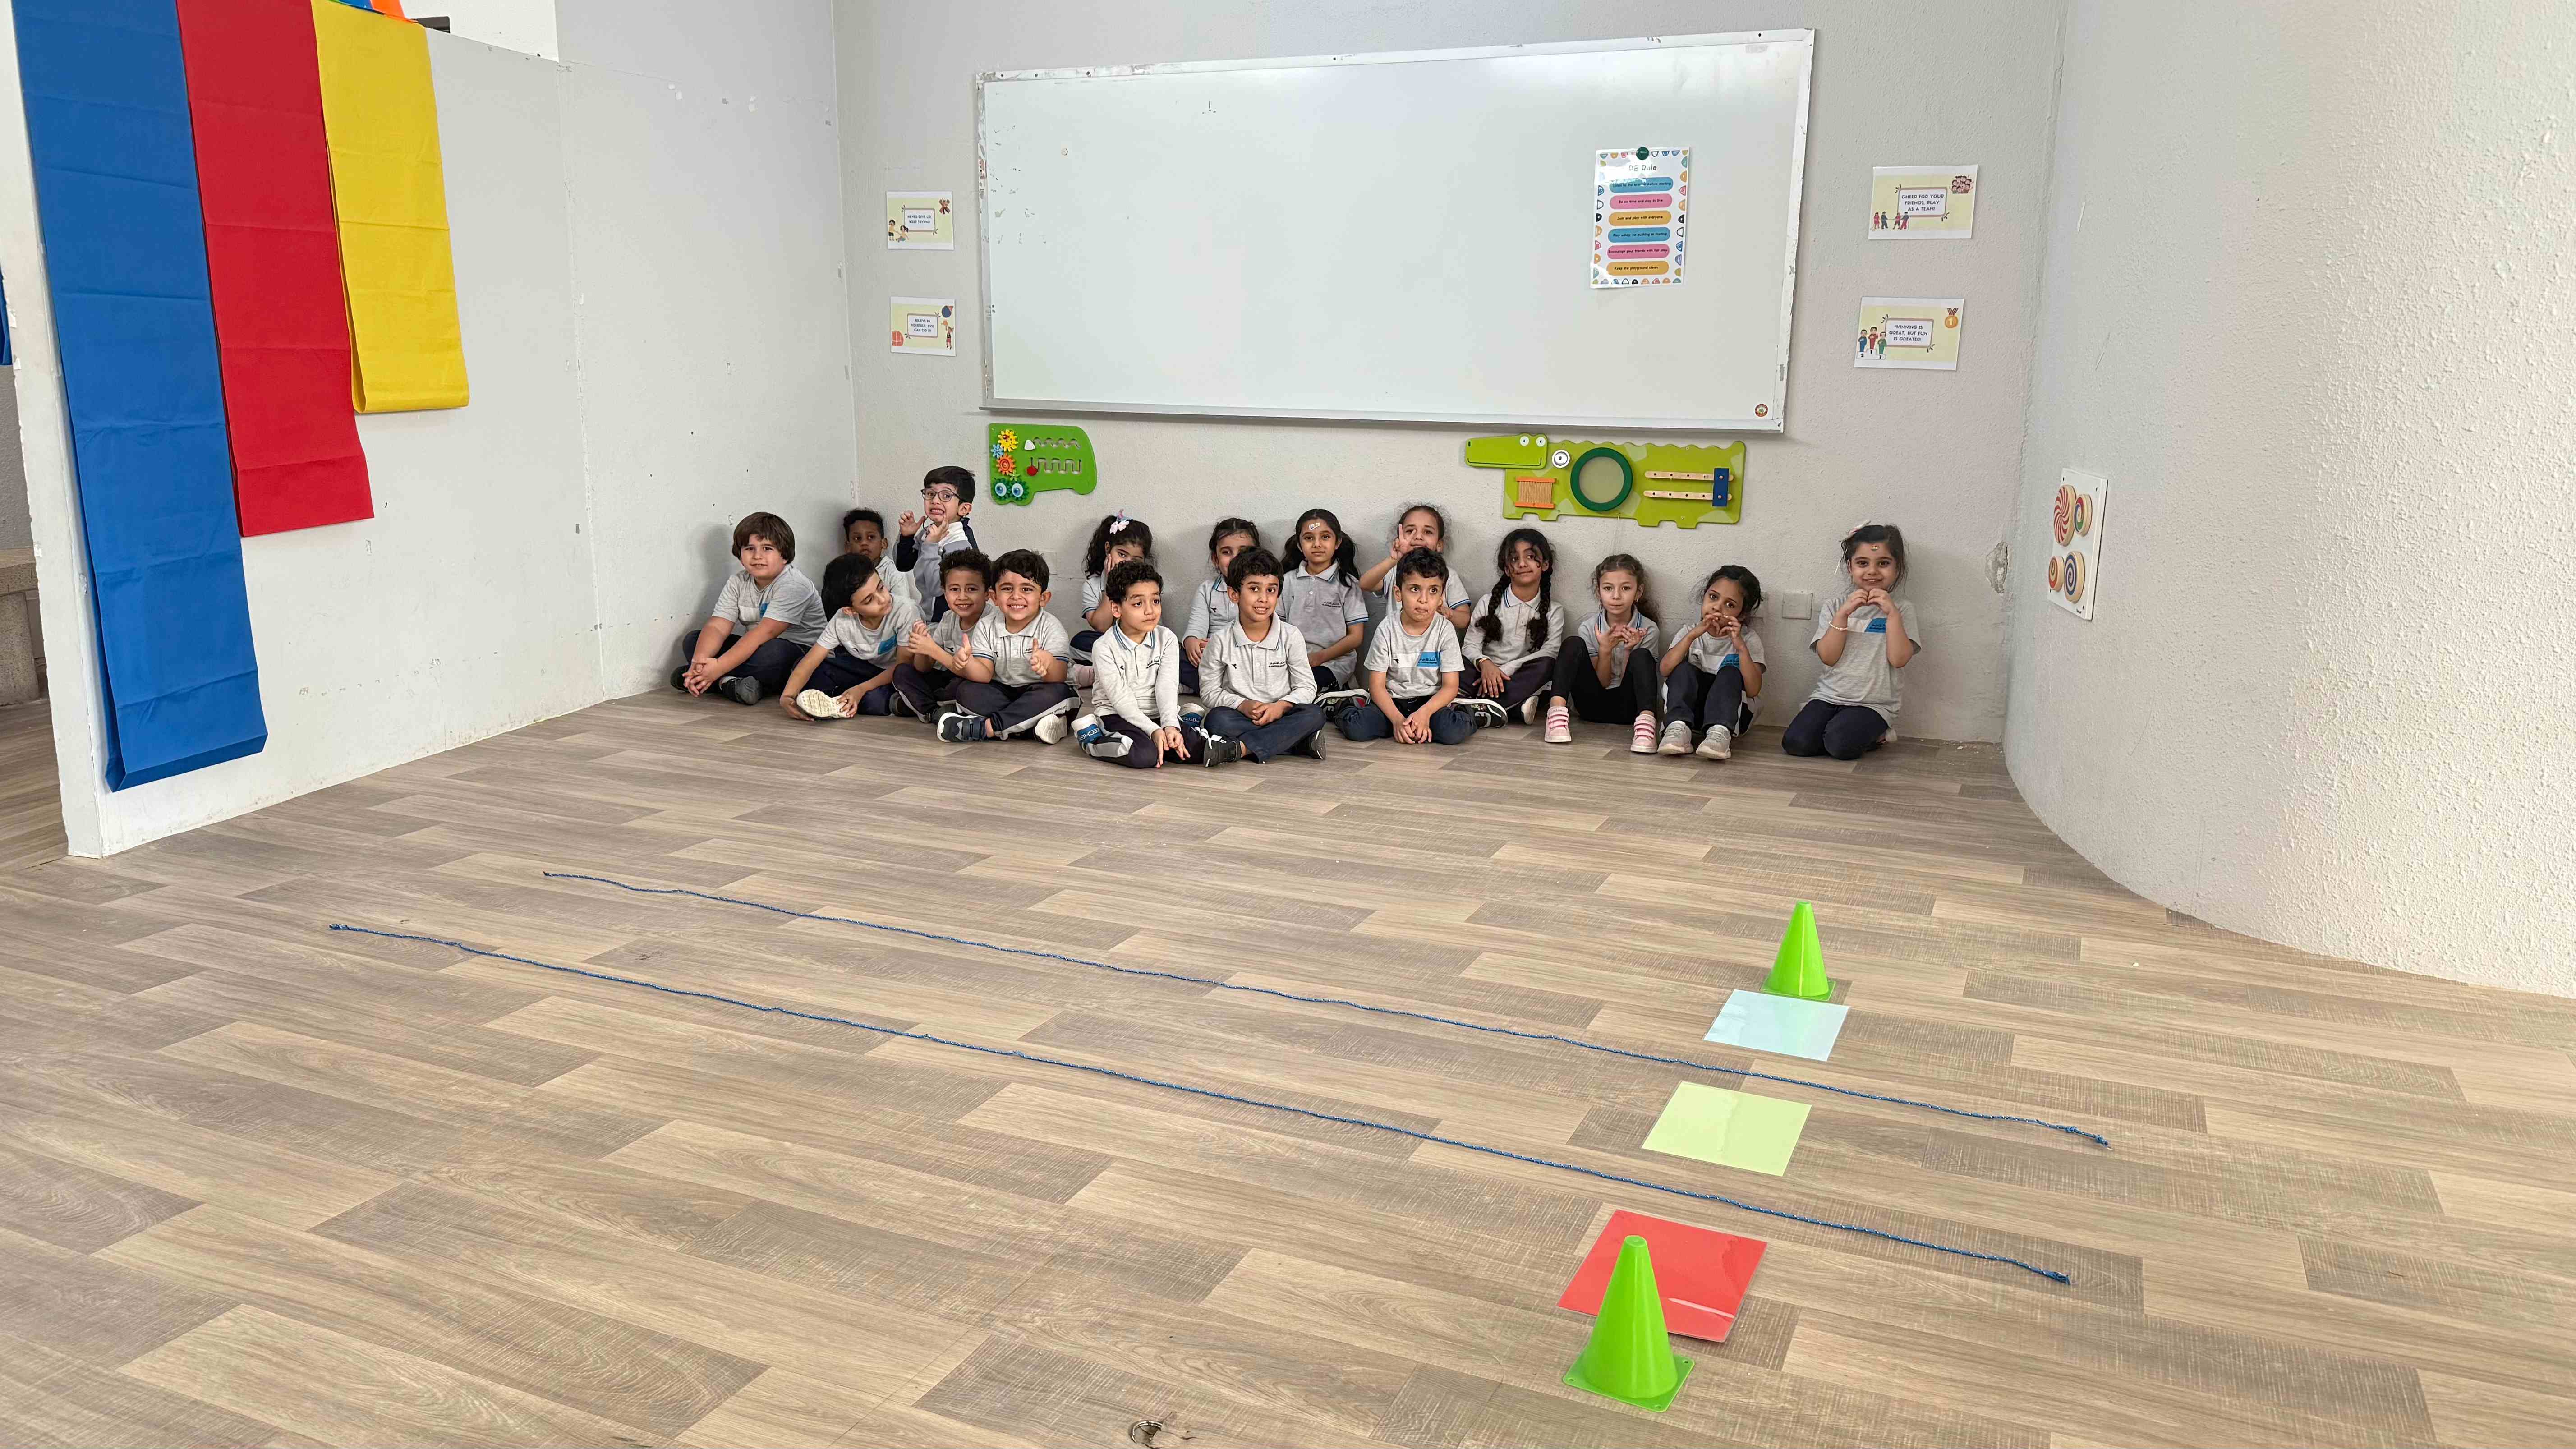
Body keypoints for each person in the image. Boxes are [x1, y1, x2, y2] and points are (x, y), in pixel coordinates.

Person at [1073, 558, 1243, 768]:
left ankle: (1183, 720)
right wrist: (1153, 730)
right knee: (1145, 755)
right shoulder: (1104, 647)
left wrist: (1170, 725)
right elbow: (1121, 700)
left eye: (1155, 601)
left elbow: (1167, 686)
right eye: (1138, 604)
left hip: (1156, 713)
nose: (1150, 611)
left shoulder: (1167, 638)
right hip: (1117, 714)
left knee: (1197, 751)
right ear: (1116, 609)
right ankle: (1092, 738)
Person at [1786, 523, 1919, 760]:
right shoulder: (1835, 606)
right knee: (1796, 744)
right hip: (1829, 696)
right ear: (1850, 567)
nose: (1872, 571)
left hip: (1874, 704)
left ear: (1897, 568)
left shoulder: (1902, 610)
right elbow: (1828, 657)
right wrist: (1843, 615)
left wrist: (1892, 615)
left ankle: (1878, 733)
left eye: (1883, 563)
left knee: (1840, 745)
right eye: (1863, 563)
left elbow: (1899, 660)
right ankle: (1835, 728)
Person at [672, 511, 827, 704]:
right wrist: (699, 661)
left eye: (767, 549)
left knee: (774, 653)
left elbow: (764, 633)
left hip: (800, 654)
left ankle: (714, 680)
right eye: (750, 548)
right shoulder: (738, 582)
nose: (757, 556)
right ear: (740, 555)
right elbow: (718, 627)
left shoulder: (794, 585)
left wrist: (718, 666)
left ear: (785, 555)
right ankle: (727, 682)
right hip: (754, 647)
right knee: (693, 640)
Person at [938, 548, 1078, 743]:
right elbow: (984, 675)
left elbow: (1059, 677)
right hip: (1002, 693)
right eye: (1007, 589)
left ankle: (987, 728)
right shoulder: (986, 626)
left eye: (1026, 589)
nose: (1016, 596)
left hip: (1041, 691)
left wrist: (1048, 664)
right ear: (994, 596)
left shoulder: (1051, 627)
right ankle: (1031, 727)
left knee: (1058, 694)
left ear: (1043, 598)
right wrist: (967, 662)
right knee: (966, 691)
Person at [1200, 547, 1325, 762]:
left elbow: (1307, 687)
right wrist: (1242, 705)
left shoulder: (1291, 635)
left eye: (1271, 590)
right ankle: (1295, 742)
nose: (1263, 599)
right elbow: (1209, 692)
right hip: (1243, 716)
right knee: (1216, 720)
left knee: (1315, 714)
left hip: (1283, 714)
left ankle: (1239, 749)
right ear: (1234, 594)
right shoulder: (1220, 641)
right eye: (1254, 589)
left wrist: (1282, 706)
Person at [1342, 547, 1474, 746]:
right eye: (1415, 589)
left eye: (1433, 591)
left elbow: (1450, 686)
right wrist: (1397, 721)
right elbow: (1377, 686)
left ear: (1441, 597)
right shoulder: (1387, 629)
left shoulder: (1445, 629)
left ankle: (1468, 711)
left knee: (1452, 732)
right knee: (1357, 728)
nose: (1424, 599)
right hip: (1392, 702)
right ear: (1398, 593)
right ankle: (1346, 705)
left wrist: (1424, 714)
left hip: (1430, 702)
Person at [1547, 552, 1661, 753]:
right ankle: (1556, 715)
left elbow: (1633, 684)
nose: (1616, 596)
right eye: (1608, 588)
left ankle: (1646, 727)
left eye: (1626, 588)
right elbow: (1603, 682)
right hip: (1591, 707)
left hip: (1630, 710)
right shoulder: (1589, 627)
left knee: (1642, 655)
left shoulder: (1648, 629)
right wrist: (1605, 649)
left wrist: (1629, 650)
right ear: (1599, 592)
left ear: (1639, 592)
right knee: (1573, 644)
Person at [784, 553, 918, 720]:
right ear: (850, 610)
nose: (883, 599)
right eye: (869, 600)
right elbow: (811, 661)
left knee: (874, 701)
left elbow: (903, 666)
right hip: (867, 669)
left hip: (898, 675)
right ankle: (846, 699)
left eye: (881, 587)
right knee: (804, 668)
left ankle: (847, 698)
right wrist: (788, 696)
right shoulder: (841, 620)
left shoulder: (905, 610)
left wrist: (861, 689)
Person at [1458, 526, 1564, 726]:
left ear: (1545, 564)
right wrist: (1485, 664)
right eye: (1515, 559)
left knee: (1548, 664)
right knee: (1454, 661)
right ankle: (1512, 708)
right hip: (1482, 674)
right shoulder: (1488, 602)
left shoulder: (1554, 611)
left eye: (1531, 557)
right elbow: (1470, 645)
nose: (1522, 564)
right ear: (1507, 569)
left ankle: (1474, 706)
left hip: (1519, 678)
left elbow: (1550, 651)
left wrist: (1507, 669)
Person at [1659, 566, 1766, 759]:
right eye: (1713, 597)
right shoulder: (1689, 632)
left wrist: (1741, 648)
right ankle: (1677, 728)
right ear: (1705, 596)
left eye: (1730, 605)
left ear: (1742, 614)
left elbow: (1753, 690)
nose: (1717, 607)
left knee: (1730, 672)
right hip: (1692, 712)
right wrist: (1692, 636)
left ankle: (1719, 733)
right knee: (1683, 669)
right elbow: (1665, 669)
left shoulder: (1748, 639)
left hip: (1733, 717)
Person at [892, 548, 992, 720]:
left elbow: (979, 675)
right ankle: (935, 712)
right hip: (949, 678)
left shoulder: (992, 622)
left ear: (987, 594)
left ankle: (923, 705)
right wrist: (922, 647)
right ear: (945, 593)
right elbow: (924, 668)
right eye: (954, 589)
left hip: (976, 684)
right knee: (902, 672)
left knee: (963, 689)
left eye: (971, 589)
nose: (962, 597)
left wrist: (933, 650)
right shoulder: (948, 618)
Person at [1279, 506, 1370, 692]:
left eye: (1325, 537)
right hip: (1291, 661)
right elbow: (1276, 628)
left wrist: (1321, 657)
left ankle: (1338, 696)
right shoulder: (1286, 581)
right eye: (1309, 538)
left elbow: (1356, 637)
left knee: (1309, 686)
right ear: (1299, 545)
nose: (1317, 544)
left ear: (1337, 543)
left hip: (1333, 663)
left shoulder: (1348, 584)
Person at [1354, 502, 1474, 631]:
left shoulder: (1448, 575)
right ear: (1399, 539)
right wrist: (1394, 559)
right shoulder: (1395, 571)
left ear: (1439, 545)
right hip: (1397, 641)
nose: (1418, 537)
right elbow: (1365, 584)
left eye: (1428, 532)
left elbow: (1465, 620)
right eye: (1410, 531)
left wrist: (1448, 612)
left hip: (1436, 642)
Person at [1179, 517, 1260, 695]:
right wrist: (1192, 642)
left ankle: (1208, 688)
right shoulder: (1207, 590)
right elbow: (1196, 627)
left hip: (1244, 658)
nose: (1235, 558)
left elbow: (1260, 633)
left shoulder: (1261, 590)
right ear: (1216, 559)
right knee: (1170, 651)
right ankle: (1215, 687)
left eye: (1244, 552)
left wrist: (1223, 646)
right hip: (1211, 657)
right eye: (1227, 552)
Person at [894, 465, 981, 619]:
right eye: (930, 494)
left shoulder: (960, 542)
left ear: (964, 509)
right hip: (930, 615)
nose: (935, 501)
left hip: (950, 620)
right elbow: (903, 565)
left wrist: (931, 546)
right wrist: (907, 537)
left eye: (946, 496)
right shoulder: (930, 531)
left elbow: (937, 588)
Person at [1072, 511, 1153, 664]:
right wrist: (1110, 584)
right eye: (1122, 555)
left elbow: (1150, 627)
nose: (1127, 563)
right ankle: (1127, 664)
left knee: (1171, 648)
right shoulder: (1092, 585)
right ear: (1108, 549)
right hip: (1110, 643)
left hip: (1142, 642)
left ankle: (1129, 663)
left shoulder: (1145, 584)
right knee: (1080, 642)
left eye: (1136, 560)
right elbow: (1102, 627)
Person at [841, 506, 915, 608]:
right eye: (858, 538)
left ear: (883, 544)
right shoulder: (845, 573)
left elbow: (903, 608)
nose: (864, 543)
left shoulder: (893, 572)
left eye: (871, 537)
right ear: (848, 547)